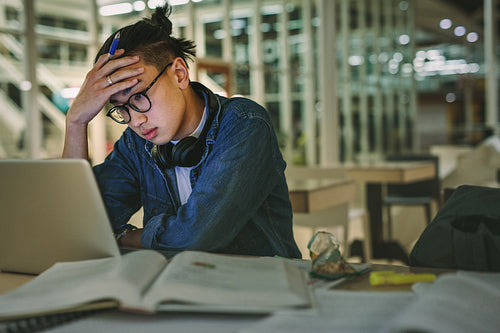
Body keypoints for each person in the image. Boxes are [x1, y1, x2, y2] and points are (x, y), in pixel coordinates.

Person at [62, 4, 301, 258]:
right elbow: (80, 222)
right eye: (122, 109)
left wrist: (128, 237)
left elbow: (196, 237)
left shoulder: (245, 125)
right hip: (178, 288)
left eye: (140, 97)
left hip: (259, 289)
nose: (136, 121)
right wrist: (76, 123)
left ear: (178, 74)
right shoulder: (136, 144)